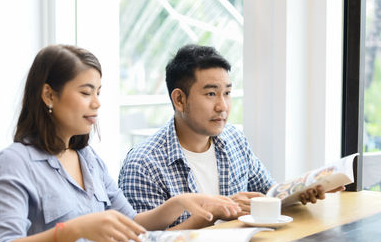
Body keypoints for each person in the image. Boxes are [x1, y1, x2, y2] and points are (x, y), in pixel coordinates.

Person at [0, 45, 241, 242]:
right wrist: (73, 230)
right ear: (49, 95)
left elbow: (134, 225)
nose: (97, 103)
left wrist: (179, 203)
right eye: (86, 93)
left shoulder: (88, 159)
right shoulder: (15, 162)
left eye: (98, 92)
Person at [118, 44, 344, 229]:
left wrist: (302, 192)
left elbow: (268, 192)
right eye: (211, 94)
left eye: (227, 93)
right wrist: (209, 214)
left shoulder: (234, 139)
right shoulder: (143, 164)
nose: (222, 106)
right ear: (179, 100)